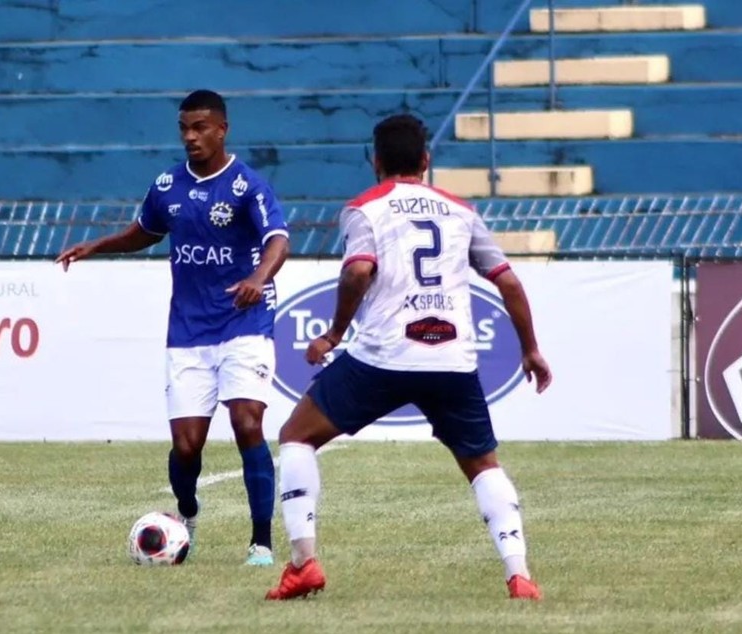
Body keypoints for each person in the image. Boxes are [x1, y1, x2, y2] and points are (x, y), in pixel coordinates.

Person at [264, 114, 553, 600]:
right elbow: (508, 282)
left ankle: (304, 563)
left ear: (375, 162)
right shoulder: (461, 211)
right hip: (451, 359)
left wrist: (334, 333)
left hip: (383, 356)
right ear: (426, 160)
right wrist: (530, 349)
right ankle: (519, 574)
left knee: (296, 436)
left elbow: (358, 271)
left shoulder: (364, 209)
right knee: (483, 465)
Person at [56, 89, 289, 567]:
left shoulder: (247, 186)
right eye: (184, 128)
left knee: (247, 423)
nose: (190, 136)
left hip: (246, 323)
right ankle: (186, 515)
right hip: (188, 332)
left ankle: (261, 543)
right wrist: (96, 245)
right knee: (187, 445)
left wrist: (258, 279)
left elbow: (278, 240)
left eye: (200, 127)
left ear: (222, 129)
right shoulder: (167, 186)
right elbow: (143, 232)